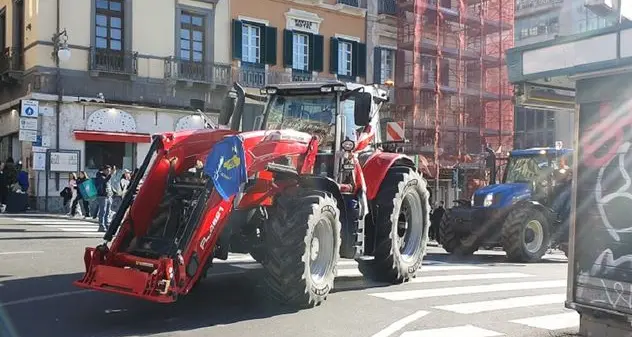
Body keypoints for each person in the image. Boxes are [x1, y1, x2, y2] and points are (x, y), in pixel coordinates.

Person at [94, 165, 115, 232]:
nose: (109, 172)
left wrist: (113, 192)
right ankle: (101, 226)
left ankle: (106, 225)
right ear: (104, 170)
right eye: (108, 171)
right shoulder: (100, 176)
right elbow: (104, 181)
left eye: (109, 171)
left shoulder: (107, 176)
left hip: (108, 196)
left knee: (108, 212)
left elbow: (109, 185)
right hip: (102, 196)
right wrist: (111, 174)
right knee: (103, 211)